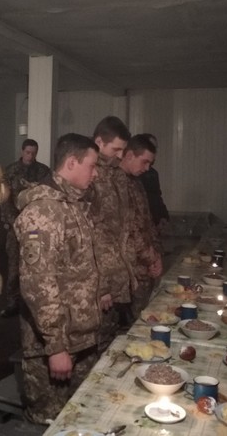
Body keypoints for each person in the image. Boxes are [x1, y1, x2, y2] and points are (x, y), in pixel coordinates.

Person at [14, 133, 101, 424]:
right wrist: (56, 346)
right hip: (53, 345)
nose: (96, 174)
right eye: (92, 166)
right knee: (50, 423)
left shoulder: (72, 204)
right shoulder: (44, 210)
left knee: (81, 419)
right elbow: (38, 284)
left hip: (81, 337)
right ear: (72, 162)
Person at [89, 116, 133, 349]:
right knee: (97, 343)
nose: (120, 155)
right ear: (99, 142)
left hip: (119, 272)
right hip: (100, 280)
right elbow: (91, 236)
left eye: (123, 150)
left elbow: (122, 228)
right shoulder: (89, 175)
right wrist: (102, 285)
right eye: (116, 149)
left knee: (113, 340)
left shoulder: (118, 175)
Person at [0, 138, 51, 318]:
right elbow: (4, 199)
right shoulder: (11, 171)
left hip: (36, 227)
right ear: (22, 151)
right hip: (15, 225)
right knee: (14, 267)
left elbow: (47, 198)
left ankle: (32, 303)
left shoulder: (43, 171)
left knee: (35, 265)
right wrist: (13, 222)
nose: (30, 156)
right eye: (28, 152)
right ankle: (13, 302)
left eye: (33, 153)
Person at [117, 134, 163, 317]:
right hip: (130, 268)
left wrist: (157, 254)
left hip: (145, 265)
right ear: (129, 155)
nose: (147, 168)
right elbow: (131, 228)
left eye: (150, 163)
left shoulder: (136, 182)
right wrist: (151, 258)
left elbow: (147, 222)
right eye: (144, 162)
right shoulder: (116, 183)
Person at [138, 134, 169, 229]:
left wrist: (163, 216)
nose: (154, 152)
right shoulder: (134, 173)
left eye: (155, 148)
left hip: (154, 225)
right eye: (151, 147)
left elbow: (157, 196)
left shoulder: (153, 173)